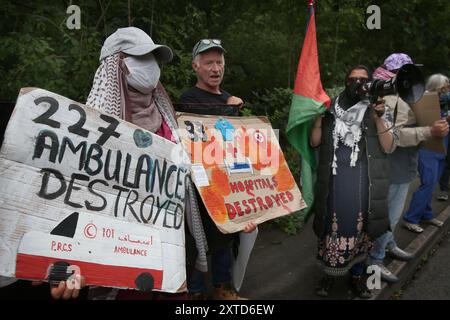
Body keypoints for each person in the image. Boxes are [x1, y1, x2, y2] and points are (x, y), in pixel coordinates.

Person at [85, 27, 208, 300]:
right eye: (141, 58)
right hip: (122, 245)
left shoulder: (168, 118)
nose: (150, 67)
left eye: (153, 59)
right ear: (115, 64)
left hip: (168, 243)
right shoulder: (92, 127)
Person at [178, 39, 256, 300]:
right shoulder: (189, 98)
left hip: (227, 181)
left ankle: (223, 287)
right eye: (208, 62)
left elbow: (237, 142)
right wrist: (229, 108)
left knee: (226, 235)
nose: (215, 68)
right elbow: (199, 125)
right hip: (199, 184)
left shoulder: (228, 98)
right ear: (195, 66)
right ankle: (195, 291)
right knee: (199, 237)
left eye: (219, 62)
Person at [310, 65, 395, 299]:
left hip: (363, 185)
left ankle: (357, 276)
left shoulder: (376, 107)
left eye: (363, 79)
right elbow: (315, 142)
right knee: (331, 230)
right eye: (353, 79)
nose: (358, 83)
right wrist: (318, 119)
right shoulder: (331, 107)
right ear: (346, 81)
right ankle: (329, 275)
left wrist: (379, 118)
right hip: (335, 184)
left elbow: (388, 146)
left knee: (361, 232)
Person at [369, 54, 449, 283]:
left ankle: (389, 244)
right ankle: (375, 260)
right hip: (392, 167)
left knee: (393, 214)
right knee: (389, 216)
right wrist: (428, 132)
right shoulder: (391, 98)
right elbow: (394, 135)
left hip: (403, 166)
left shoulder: (400, 94)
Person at [403, 74, 450, 233]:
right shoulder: (424, 101)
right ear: (436, 87)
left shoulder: (443, 102)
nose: (446, 90)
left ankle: (426, 214)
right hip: (427, 149)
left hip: (441, 149)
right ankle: (411, 218)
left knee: (432, 184)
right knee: (427, 183)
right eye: (444, 87)